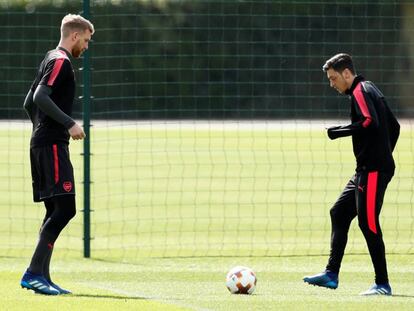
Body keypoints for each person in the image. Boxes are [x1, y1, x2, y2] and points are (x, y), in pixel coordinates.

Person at [303, 53, 400, 296]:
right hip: (367, 169)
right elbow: (394, 126)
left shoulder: (360, 90)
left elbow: (369, 121)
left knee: (368, 223)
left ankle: (382, 284)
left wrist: (339, 132)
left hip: (373, 170)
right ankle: (331, 274)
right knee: (339, 212)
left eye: (334, 78)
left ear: (347, 73)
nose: (331, 84)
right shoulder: (370, 88)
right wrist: (384, 153)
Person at [21, 14, 94, 295]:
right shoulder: (61, 61)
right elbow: (39, 97)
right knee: (65, 208)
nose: (86, 47)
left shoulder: (49, 58)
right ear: (74, 35)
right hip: (51, 144)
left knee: (55, 208)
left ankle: (43, 277)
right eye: (86, 40)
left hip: (44, 142)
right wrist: (66, 124)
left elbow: (28, 103)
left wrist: (41, 129)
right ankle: (33, 273)